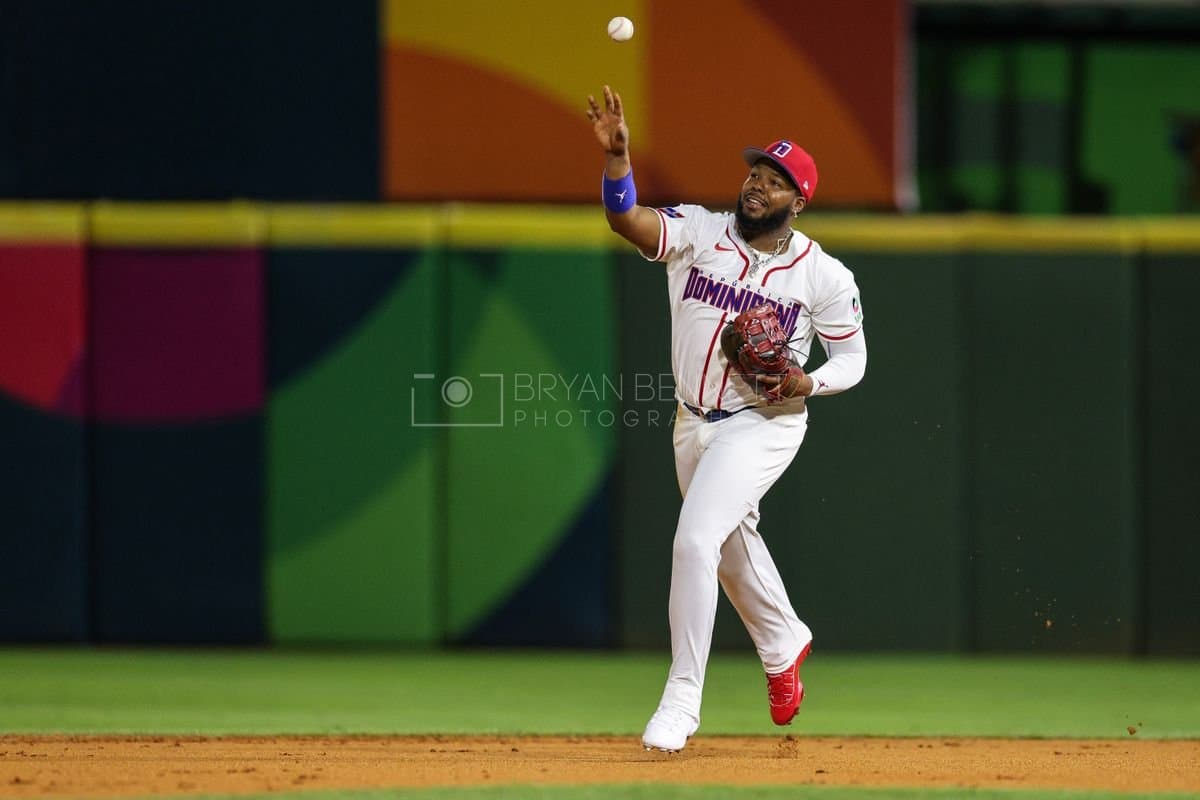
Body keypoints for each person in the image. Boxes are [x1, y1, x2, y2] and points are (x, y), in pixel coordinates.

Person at [586, 85, 868, 752]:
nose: (757, 187)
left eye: (775, 183)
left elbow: (853, 358)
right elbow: (627, 221)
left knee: (695, 541)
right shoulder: (700, 231)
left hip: (764, 421)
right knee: (729, 546)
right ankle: (782, 640)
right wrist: (618, 160)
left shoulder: (821, 274)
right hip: (692, 421)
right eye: (754, 174)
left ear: (798, 202)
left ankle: (682, 701)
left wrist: (809, 379)